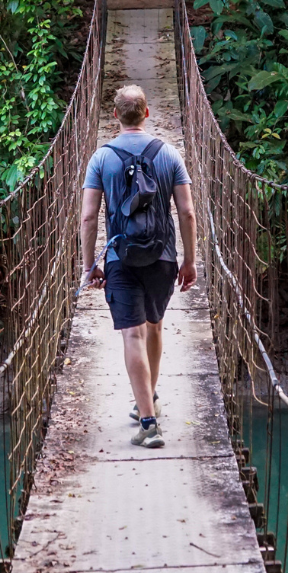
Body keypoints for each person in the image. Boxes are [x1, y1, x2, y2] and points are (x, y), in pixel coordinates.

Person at [80, 84, 198, 448]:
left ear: (115, 115)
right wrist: (190, 260)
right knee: (155, 327)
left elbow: (88, 217)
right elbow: (187, 212)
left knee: (132, 334)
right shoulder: (170, 155)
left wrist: (90, 267)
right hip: (162, 256)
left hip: (120, 257)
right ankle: (147, 401)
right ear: (147, 113)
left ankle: (148, 421)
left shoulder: (101, 158)